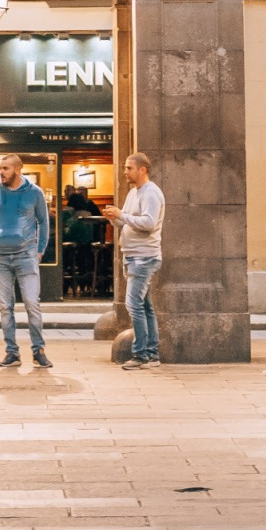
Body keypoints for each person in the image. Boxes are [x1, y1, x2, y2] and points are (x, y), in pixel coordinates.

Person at [0, 155, 51, 369]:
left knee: (31, 304)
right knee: (5, 307)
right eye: (1, 168)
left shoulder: (34, 193)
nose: (1, 172)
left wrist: (39, 251)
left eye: (6, 168)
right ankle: (12, 352)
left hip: (26, 257)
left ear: (18, 170)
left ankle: (38, 351)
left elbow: (43, 223)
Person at [103, 152, 166, 370]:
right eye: (125, 167)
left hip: (144, 257)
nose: (125, 172)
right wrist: (115, 219)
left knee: (134, 305)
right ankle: (152, 354)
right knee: (145, 307)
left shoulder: (150, 193)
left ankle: (140, 355)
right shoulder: (133, 193)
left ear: (142, 169)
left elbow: (148, 223)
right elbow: (128, 222)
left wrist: (122, 215)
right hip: (132, 256)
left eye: (129, 168)